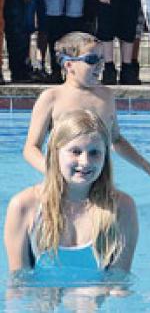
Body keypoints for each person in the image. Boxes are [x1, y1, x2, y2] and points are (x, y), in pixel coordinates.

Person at [23, 31, 150, 180]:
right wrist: (55, 174)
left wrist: (147, 167)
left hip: (98, 179)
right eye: (92, 60)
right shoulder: (52, 98)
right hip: (61, 180)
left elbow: (116, 140)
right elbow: (31, 148)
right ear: (69, 65)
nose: (99, 65)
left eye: (101, 59)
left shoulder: (105, 96)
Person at [5, 109, 139, 276]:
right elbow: (19, 283)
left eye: (94, 153)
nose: (85, 162)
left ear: (105, 157)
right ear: (55, 153)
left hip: (94, 300)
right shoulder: (24, 206)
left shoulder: (122, 207)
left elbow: (119, 282)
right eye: (75, 151)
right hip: (43, 300)